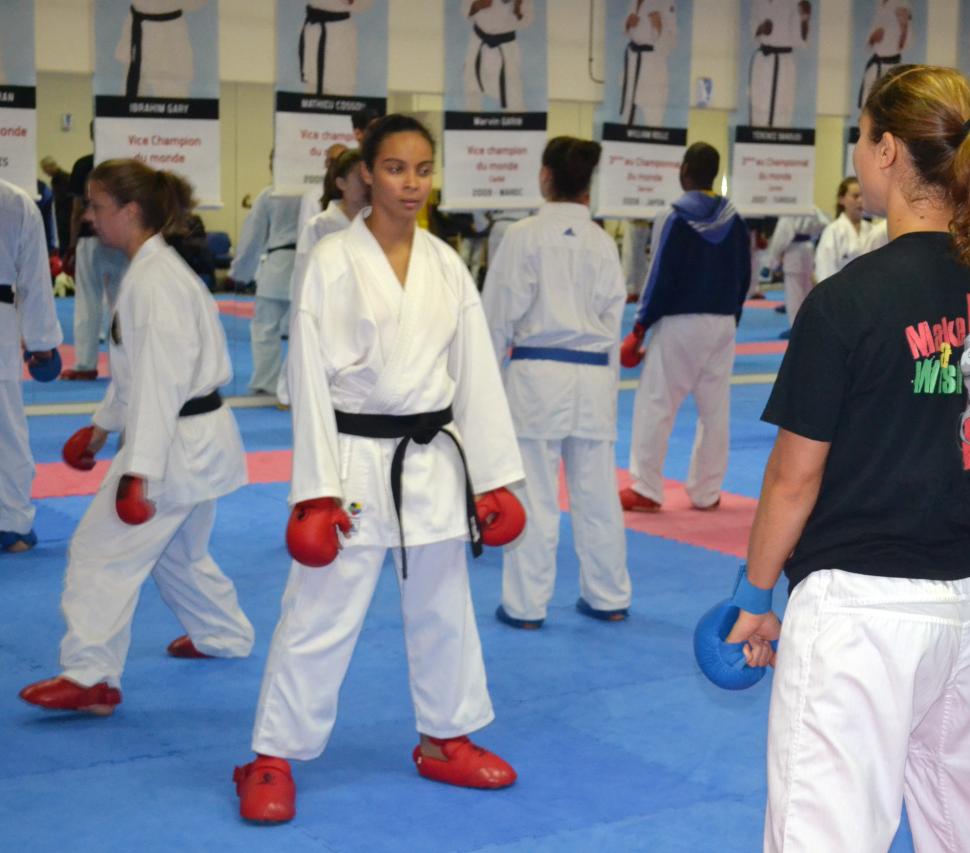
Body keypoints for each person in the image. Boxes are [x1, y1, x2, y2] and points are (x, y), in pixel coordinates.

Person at [725, 65, 970, 852]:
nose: (860, 157)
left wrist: (755, 593)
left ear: (888, 150)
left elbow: (794, 477)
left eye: (862, 139)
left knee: (824, 835)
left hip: (865, 613)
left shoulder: (847, 300)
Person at [234, 115, 526, 824]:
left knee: (443, 605)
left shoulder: (446, 263)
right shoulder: (332, 261)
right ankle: (271, 755)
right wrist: (316, 491)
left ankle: (444, 735)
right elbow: (306, 379)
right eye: (396, 168)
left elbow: (475, 376)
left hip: (431, 457)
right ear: (368, 172)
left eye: (423, 169)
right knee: (320, 612)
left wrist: (492, 475)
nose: (411, 184)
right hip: (355, 460)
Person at [18, 159, 253, 715]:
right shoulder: (151, 272)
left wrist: (138, 472)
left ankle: (90, 675)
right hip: (192, 438)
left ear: (130, 211)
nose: (90, 217)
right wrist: (101, 431)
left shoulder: (155, 283)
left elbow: (159, 384)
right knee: (179, 553)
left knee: (98, 552)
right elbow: (139, 374)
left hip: (172, 445)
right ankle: (224, 635)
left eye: (98, 207)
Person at [483, 136, 632, 628]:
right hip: (592, 377)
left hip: (536, 378)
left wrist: (481, 387)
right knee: (597, 496)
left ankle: (525, 607)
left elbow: (498, 316)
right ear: (587, 185)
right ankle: (609, 596)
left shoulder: (523, 235)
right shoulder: (602, 242)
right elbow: (614, 320)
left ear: (545, 176)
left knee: (535, 496)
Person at [618, 142, 751, 513]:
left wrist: (640, 326)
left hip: (679, 322)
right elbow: (745, 275)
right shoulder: (735, 219)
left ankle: (646, 487)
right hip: (723, 322)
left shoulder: (674, 217)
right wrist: (731, 317)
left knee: (657, 403)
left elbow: (659, 275)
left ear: (686, 169)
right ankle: (707, 491)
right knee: (715, 410)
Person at [276, 150, 369, 405]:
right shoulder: (319, 226)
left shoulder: (379, 225)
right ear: (341, 184)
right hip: (330, 319)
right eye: (358, 179)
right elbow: (303, 285)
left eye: (369, 177)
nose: (366, 185)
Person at [0, 179, 63, 553]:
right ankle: (13, 524)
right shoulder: (16, 201)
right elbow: (36, 281)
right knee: (6, 427)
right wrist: (42, 344)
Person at [229, 170, 302, 399]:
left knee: (265, 328)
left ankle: (266, 381)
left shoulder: (270, 194)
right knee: (306, 330)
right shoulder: (314, 192)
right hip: (309, 264)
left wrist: (241, 272)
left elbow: (253, 235)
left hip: (277, 264)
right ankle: (301, 382)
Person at [63, 137, 131, 381]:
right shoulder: (126, 168)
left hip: (89, 239)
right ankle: (124, 366)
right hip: (121, 238)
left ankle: (85, 364)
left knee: (88, 301)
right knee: (121, 303)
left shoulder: (84, 164)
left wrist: (70, 246)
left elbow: (77, 209)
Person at [113, 1, 206, 99]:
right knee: (130, 98)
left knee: (174, 96)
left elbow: (196, 4)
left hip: (170, 33)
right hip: (137, 27)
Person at [747, 0, 811, 128]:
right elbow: (753, 28)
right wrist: (761, 28)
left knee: (783, 106)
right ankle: (755, 138)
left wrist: (805, 18)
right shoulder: (758, 2)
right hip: (762, 60)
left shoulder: (794, 2)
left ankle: (781, 140)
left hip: (784, 62)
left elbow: (802, 39)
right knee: (758, 103)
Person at [765, 208, 828, 335]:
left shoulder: (790, 210)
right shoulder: (812, 208)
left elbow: (780, 239)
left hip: (793, 251)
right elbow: (825, 223)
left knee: (794, 295)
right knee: (807, 291)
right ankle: (810, 325)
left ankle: (796, 328)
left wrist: (771, 263)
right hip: (808, 248)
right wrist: (812, 234)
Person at [465, 0, 534, 112]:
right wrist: (476, 5)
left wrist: (518, 9)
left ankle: (516, 117)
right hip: (478, 43)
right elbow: (465, 9)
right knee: (472, 84)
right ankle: (471, 115)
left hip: (506, 47)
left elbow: (528, 19)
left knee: (512, 87)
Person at [619, 0, 677, 126]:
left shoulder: (666, 2)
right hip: (632, 62)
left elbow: (671, 41)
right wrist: (627, 24)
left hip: (653, 66)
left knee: (654, 117)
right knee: (627, 117)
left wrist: (659, 25)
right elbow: (627, 31)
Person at [297, 0, 371, 96]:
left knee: (340, 90)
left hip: (339, 34)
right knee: (312, 88)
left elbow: (363, 5)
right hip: (314, 31)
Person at [814, 176, 878, 282]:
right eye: (855, 196)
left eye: (863, 196)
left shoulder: (873, 230)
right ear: (841, 199)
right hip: (840, 291)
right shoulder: (833, 231)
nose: (860, 200)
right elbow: (825, 270)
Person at [857, 0, 913, 109]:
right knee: (867, 105)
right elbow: (868, 45)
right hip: (876, 63)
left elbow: (905, 44)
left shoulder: (902, 4)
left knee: (889, 106)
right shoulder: (879, 4)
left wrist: (904, 28)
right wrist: (873, 37)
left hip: (891, 67)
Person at [296, 143, 350, 236]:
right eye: (335, 161)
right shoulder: (313, 196)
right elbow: (305, 234)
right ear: (327, 163)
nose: (339, 165)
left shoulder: (357, 193)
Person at [41, 156, 73, 252]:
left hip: (65, 218)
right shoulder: (62, 178)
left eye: (44, 168)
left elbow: (61, 198)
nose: (44, 172)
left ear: (50, 166)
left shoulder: (63, 179)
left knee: (64, 245)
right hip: (64, 216)